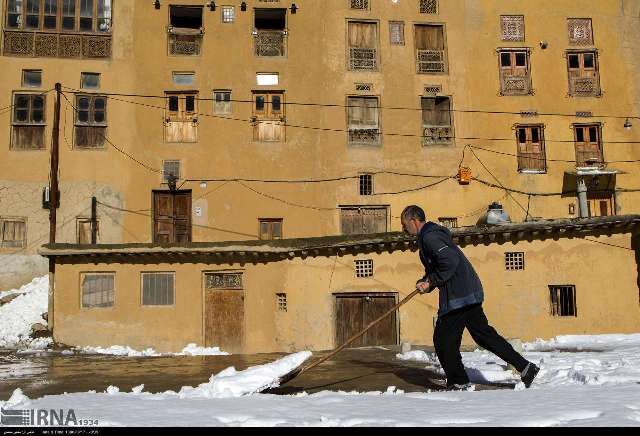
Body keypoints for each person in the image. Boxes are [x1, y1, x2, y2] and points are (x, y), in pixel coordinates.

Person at [401, 205, 540, 391]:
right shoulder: (431, 237)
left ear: (414, 221)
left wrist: (431, 280)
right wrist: (426, 281)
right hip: (467, 291)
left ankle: (459, 382)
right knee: (484, 336)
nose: (404, 229)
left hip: (458, 296)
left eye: (405, 225)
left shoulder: (430, 237)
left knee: (444, 341)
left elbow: (450, 261)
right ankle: (526, 367)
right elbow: (439, 267)